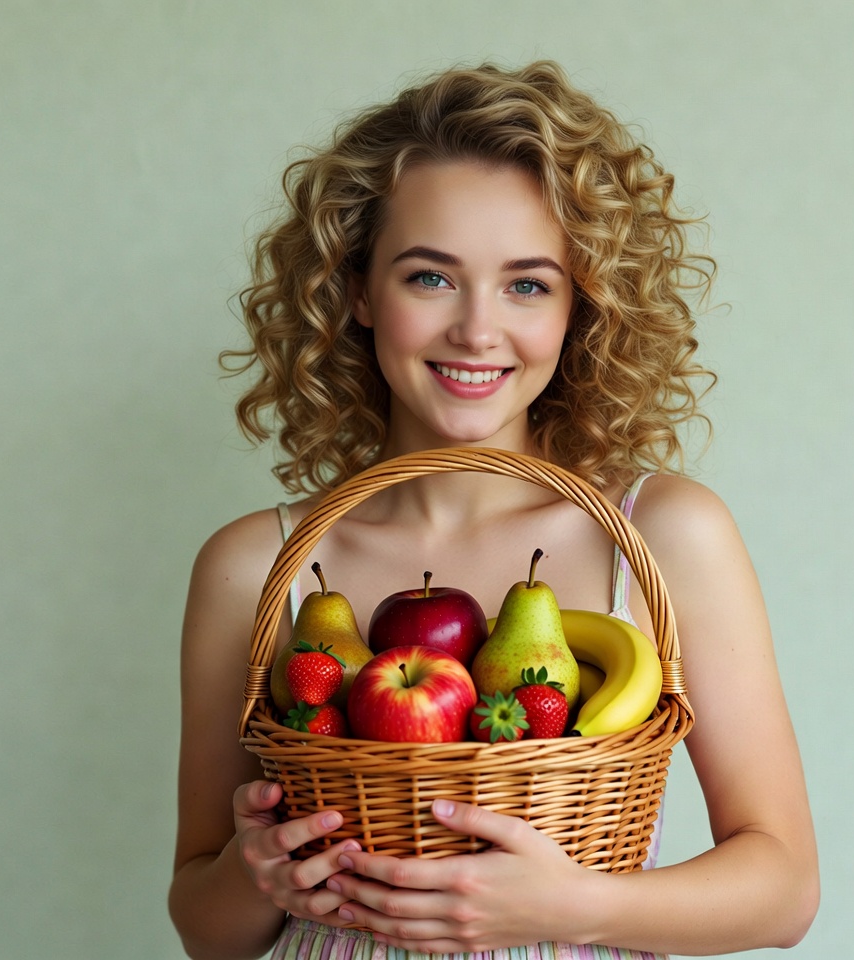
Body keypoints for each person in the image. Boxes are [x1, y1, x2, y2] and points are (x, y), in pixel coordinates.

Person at [168, 61, 819, 960]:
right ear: (357, 291)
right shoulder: (257, 566)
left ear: (578, 308)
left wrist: (571, 908)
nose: (478, 330)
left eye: (527, 284)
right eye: (430, 278)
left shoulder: (663, 538)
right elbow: (204, 925)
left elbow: (783, 889)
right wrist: (256, 872)